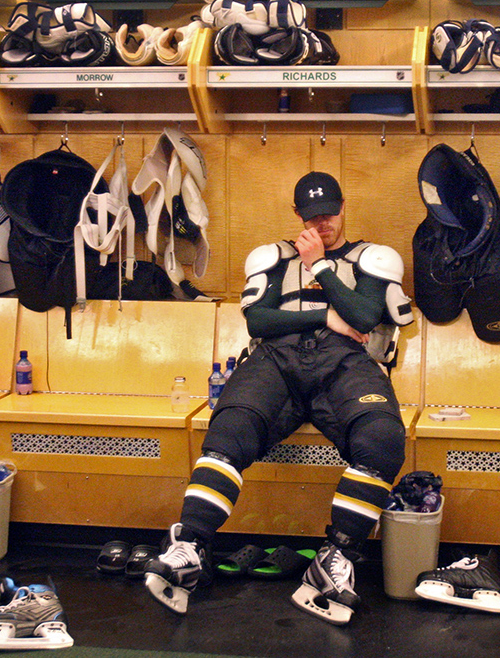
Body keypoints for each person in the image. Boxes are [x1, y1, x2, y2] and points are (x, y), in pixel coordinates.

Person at [144, 171, 412, 625]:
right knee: (229, 429)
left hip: (344, 363)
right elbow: (259, 324)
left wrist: (322, 266)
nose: (322, 223)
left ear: (344, 207)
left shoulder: (375, 258)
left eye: (329, 214)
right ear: (296, 215)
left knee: (383, 439)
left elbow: (365, 315)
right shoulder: (271, 257)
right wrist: (326, 315)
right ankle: (189, 546)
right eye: (312, 217)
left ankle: (334, 560)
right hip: (277, 359)